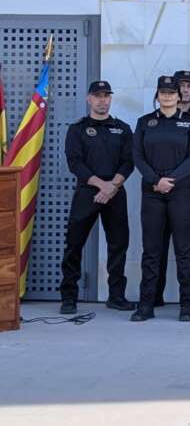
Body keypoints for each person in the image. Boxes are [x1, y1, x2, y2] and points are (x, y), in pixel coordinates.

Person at [130, 75, 190, 322]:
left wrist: (170, 180)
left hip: (181, 192)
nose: (168, 96)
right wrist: (156, 180)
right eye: (163, 93)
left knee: (184, 250)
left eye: (172, 93)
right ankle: (146, 305)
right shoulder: (145, 122)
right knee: (151, 251)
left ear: (178, 96)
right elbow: (137, 156)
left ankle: (186, 306)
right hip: (153, 193)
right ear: (157, 95)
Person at [59, 80, 135, 315]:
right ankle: (69, 297)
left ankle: (116, 296)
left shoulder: (122, 128)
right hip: (87, 192)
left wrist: (112, 186)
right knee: (74, 245)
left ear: (111, 99)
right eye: (98, 96)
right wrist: (102, 185)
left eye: (106, 96)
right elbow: (75, 163)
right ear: (88, 99)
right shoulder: (77, 129)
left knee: (118, 245)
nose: (102, 100)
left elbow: (129, 161)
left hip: (115, 191)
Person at [154, 70, 190, 309]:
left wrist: (181, 178)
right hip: (158, 188)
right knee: (158, 241)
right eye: (182, 86)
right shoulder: (155, 119)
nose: (186, 90)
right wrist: (162, 180)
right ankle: (154, 295)